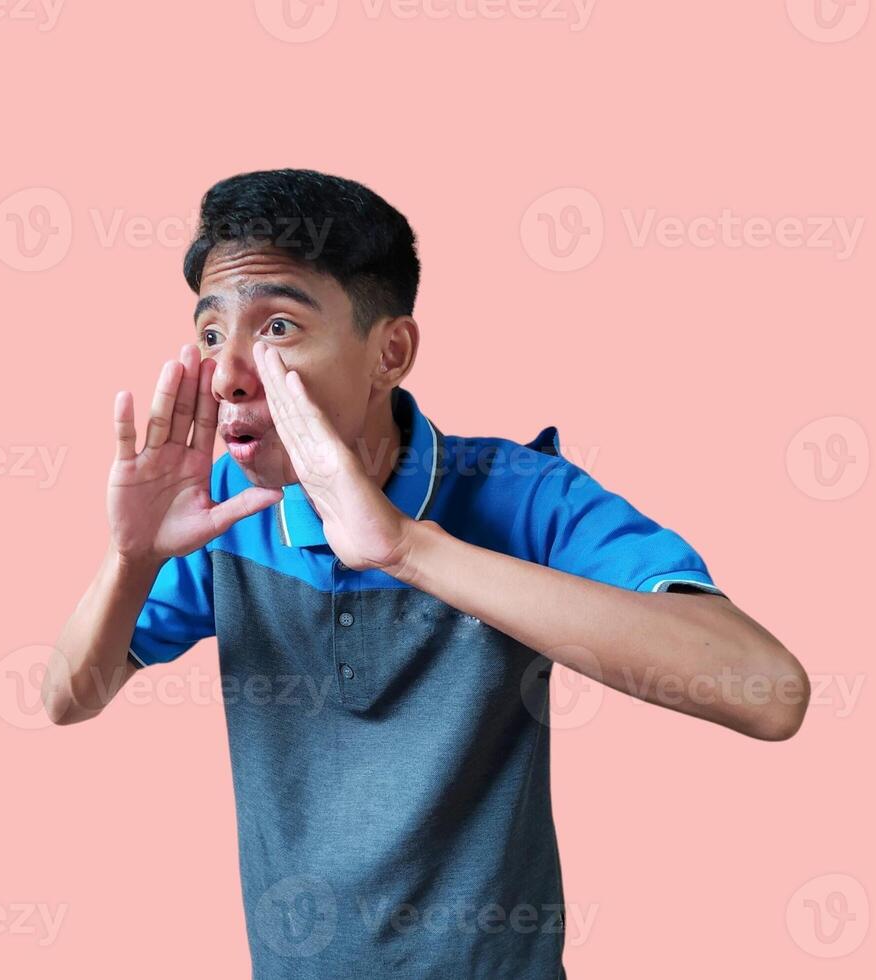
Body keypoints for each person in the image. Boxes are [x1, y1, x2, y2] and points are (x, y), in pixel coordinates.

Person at [43, 169, 809, 979]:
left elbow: (769, 693)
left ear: (391, 352)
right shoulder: (222, 510)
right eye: (208, 334)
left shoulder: (525, 498)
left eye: (276, 327)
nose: (230, 371)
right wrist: (130, 561)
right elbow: (67, 697)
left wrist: (409, 547)